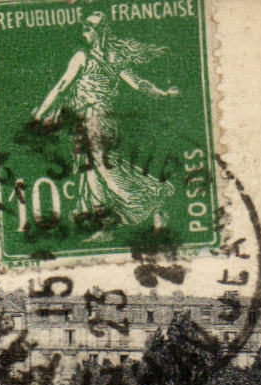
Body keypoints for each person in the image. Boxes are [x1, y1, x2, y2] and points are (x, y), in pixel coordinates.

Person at [31, 11, 180, 241]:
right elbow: (62, 86)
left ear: (102, 31)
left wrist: (162, 93)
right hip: (82, 121)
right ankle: (106, 225)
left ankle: (151, 203)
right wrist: (42, 112)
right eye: (84, 27)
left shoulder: (108, 59)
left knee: (102, 168)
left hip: (97, 119)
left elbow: (138, 83)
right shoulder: (84, 56)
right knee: (90, 172)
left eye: (91, 27)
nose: (85, 31)